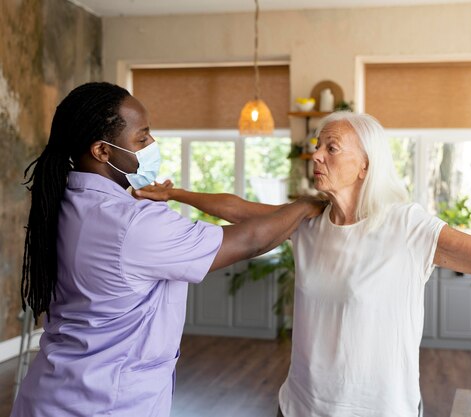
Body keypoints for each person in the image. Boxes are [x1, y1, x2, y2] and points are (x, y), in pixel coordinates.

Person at [136, 111, 471, 417]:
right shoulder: (306, 221)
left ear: (366, 164)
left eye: (332, 148)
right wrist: (175, 192)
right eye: (316, 147)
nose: (316, 157)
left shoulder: (407, 227)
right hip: (301, 406)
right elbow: (240, 209)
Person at [11, 82, 325, 417]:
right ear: (102, 151)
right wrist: (306, 205)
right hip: (104, 404)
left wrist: (177, 194)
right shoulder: (130, 223)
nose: (152, 145)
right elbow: (248, 240)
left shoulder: (64, 201)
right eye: (142, 138)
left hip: (51, 392)